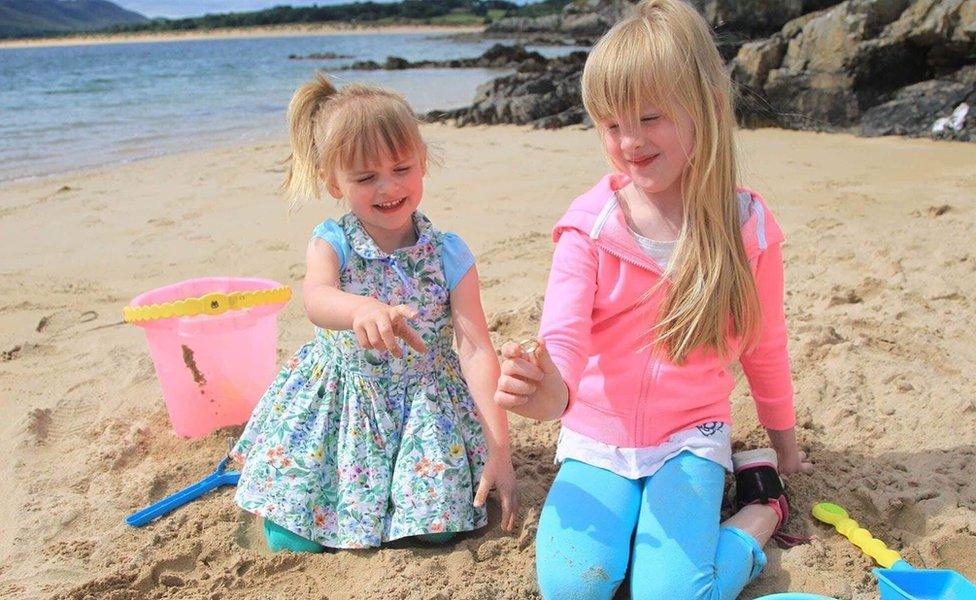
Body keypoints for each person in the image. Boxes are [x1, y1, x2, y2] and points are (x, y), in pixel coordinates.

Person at [493, 1, 812, 597]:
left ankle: (761, 510)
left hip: (690, 439)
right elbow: (562, 338)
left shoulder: (747, 226)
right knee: (574, 588)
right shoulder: (589, 227)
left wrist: (786, 447)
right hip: (596, 438)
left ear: (708, 108)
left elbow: (766, 345)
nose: (630, 141)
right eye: (612, 125)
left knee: (669, 593)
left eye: (649, 118)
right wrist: (548, 390)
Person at [232, 74, 518, 552]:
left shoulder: (448, 254)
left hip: (423, 404)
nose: (388, 187)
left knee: (436, 528)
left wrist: (500, 450)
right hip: (344, 401)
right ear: (333, 181)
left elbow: (475, 349)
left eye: (402, 168)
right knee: (292, 537)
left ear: (423, 162)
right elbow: (316, 298)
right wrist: (360, 308)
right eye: (366, 178)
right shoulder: (333, 241)